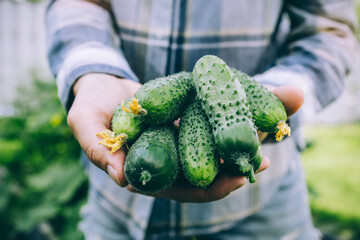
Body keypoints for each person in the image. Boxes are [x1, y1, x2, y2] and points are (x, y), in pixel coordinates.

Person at [46, 0, 358, 239]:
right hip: (116, 208)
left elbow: (329, 29)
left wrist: (272, 92)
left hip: (263, 209)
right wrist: (94, 73)